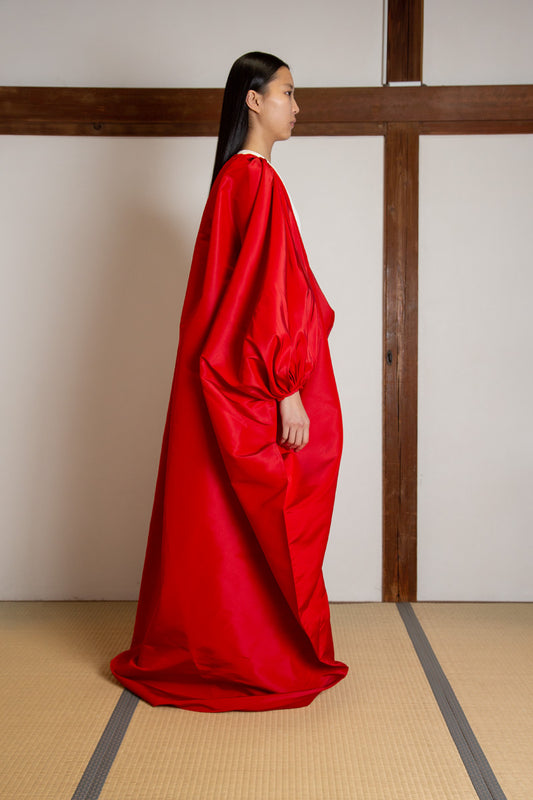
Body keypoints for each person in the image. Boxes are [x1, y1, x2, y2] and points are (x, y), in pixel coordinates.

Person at [111, 52, 348, 712]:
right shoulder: (257, 181)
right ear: (253, 99)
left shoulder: (230, 182)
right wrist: (286, 389)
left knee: (214, 516)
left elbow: (239, 298)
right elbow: (266, 297)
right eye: (287, 93)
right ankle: (252, 653)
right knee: (257, 512)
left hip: (215, 381)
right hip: (253, 381)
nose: (296, 107)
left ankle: (214, 646)